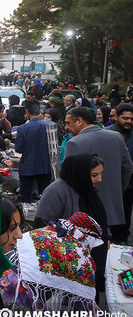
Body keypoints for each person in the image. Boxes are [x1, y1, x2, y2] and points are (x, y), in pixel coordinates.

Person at [1, 212, 103, 317]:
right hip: (18, 291)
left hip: (1, 277)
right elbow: (86, 308)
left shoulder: (48, 231)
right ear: (89, 238)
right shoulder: (80, 257)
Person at [34, 155, 108, 293]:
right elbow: (42, 227)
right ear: (81, 172)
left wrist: (106, 237)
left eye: (101, 174)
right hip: (68, 264)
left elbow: (99, 218)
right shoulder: (56, 191)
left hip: (89, 258)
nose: (100, 179)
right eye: (94, 175)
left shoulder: (86, 188)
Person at [65, 107, 133, 244]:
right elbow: (128, 168)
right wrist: (118, 190)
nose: (66, 127)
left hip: (86, 212)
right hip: (115, 208)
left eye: (68, 123)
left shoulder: (74, 143)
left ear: (79, 121)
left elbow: (69, 179)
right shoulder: (116, 137)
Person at [15, 100, 53, 203]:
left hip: (28, 166)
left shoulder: (22, 128)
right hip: (45, 166)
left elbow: (18, 149)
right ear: (40, 111)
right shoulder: (50, 125)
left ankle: (23, 215)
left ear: (27, 112)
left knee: (25, 196)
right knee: (45, 196)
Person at [107, 103, 133, 245]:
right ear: (116, 117)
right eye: (125, 118)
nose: (128, 121)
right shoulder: (106, 134)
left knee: (125, 213)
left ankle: (122, 239)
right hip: (110, 183)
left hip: (128, 186)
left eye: (131, 119)